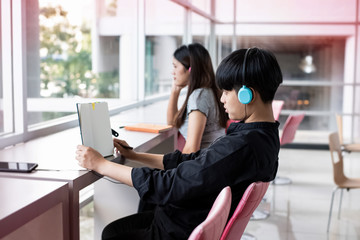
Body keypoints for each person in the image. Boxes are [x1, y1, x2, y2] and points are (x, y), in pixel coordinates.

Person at [75, 47, 283, 240]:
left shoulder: (241, 146)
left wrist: (100, 165)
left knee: (112, 233)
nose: (222, 99)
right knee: (118, 227)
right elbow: (193, 160)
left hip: (178, 229)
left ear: (248, 95)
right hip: (188, 218)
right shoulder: (264, 137)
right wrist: (134, 156)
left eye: (227, 92)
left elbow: (168, 185)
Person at [167, 43, 228, 153]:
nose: (173, 72)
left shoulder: (199, 96)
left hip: (206, 163)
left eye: (175, 66)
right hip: (213, 159)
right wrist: (174, 92)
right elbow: (172, 123)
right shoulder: (208, 91)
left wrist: (176, 169)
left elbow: (191, 149)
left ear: (190, 69)